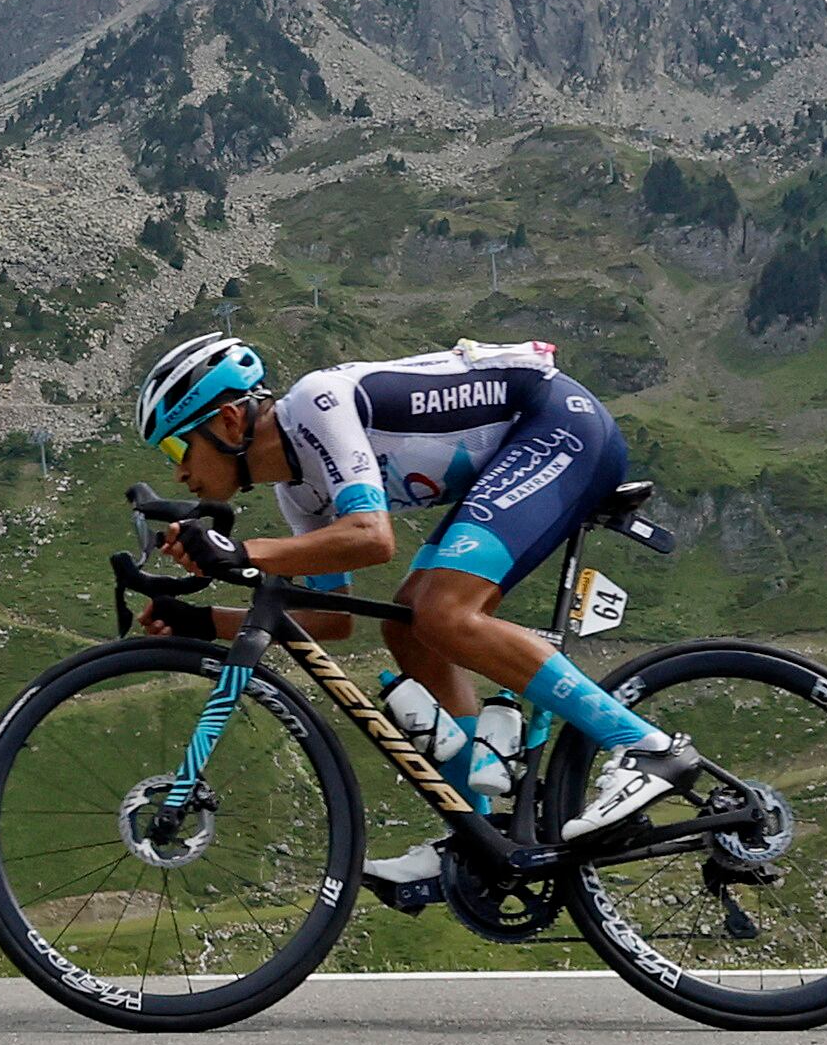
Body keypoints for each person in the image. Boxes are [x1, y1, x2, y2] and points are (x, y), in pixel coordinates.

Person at [131, 331, 700, 908]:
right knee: (406, 624)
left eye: (178, 450)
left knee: (444, 611)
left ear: (229, 421)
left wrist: (240, 552)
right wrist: (199, 620)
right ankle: (473, 838)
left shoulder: (317, 402)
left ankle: (647, 748)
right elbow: (328, 621)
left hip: (559, 425)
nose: (179, 474)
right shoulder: (298, 494)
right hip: (517, 451)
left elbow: (371, 538)